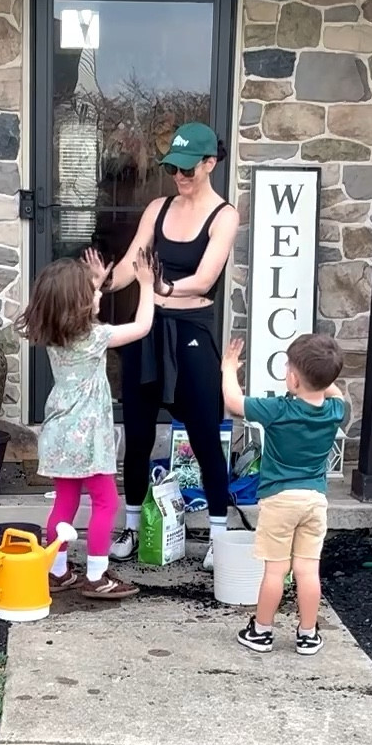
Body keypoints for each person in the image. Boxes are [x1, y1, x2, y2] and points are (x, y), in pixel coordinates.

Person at [91, 122, 239, 571]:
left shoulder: (224, 215)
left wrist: (160, 286)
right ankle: (134, 525)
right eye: (173, 167)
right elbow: (130, 265)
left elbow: (205, 280)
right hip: (146, 328)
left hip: (192, 329)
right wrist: (100, 284)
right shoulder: (157, 208)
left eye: (188, 168)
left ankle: (218, 533)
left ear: (209, 163)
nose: (180, 176)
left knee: (203, 436)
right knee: (136, 434)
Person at [20, 249, 155, 601]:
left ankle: (57, 570)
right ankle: (96, 575)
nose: (96, 296)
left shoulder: (55, 334)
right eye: (90, 293)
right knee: (106, 503)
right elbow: (142, 327)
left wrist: (95, 282)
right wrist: (147, 286)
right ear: (79, 305)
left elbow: (76, 305)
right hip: (88, 438)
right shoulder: (95, 338)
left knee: (64, 502)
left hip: (60, 433)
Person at [221, 331, 347, 657]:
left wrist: (229, 368)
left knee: (275, 571)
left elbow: (233, 403)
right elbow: (336, 393)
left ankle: (261, 631)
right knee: (307, 570)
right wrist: (322, 376)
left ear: (292, 378)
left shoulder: (278, 409)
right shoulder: (334, 411)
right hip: (314, 501)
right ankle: (307, 634)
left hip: (279, 500)